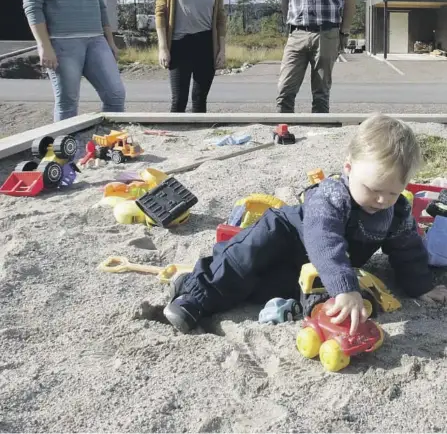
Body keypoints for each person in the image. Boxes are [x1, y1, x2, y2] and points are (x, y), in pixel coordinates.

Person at [163, 114, 447, 334]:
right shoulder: (333, 194)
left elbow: (407, 249)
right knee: (243, 260)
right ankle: (195, 295)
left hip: (308, 267)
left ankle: (210, 291)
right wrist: (344, 287)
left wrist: (420, 285)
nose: (383, 199)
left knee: (267, 288)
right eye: (373, 188)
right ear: (349, 168)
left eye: (393, 191)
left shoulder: (395, 211)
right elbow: (325, 240)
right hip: (285, 236)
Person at [155, 0, 226, 113]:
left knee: (200, 99)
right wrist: (163, 47)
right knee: (179, 100)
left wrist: (221, 50)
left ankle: (198, 139)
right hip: (179, 44)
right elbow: (161, 12)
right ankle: (174, 138)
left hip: (205, 44)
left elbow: (220, 18)